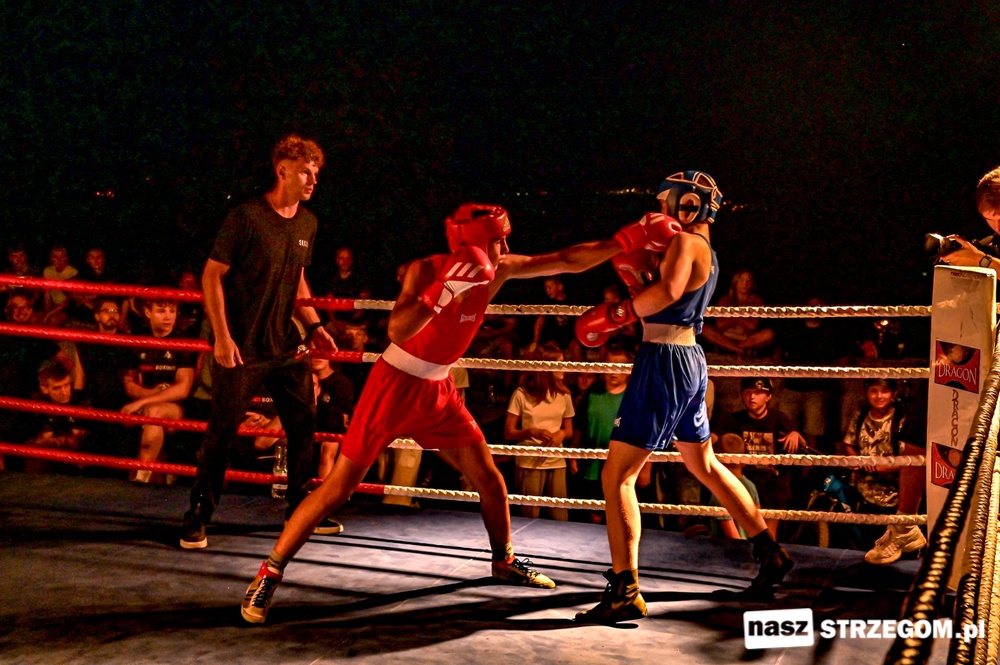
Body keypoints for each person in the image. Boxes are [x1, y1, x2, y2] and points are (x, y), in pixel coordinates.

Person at [240, 202, 625, 624]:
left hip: (439, 390)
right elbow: (398, 329)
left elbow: (566, 259)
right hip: (394, 386)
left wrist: (625, 241)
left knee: (490, 480)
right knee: (339, 489)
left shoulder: (499, 270)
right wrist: (445, 288)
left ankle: (503, 560)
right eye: (497, 240)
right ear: (471, 242)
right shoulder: (424, 270)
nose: (504, 248)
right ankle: (269, 573)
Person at [573, 171, 793, 625]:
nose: (661, 208)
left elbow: (669, 293)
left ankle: (625, 589)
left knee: (617, 475)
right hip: (690, 358)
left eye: (667, 200)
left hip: (663, 361)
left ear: (688, 202)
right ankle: (769, 550)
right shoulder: (709, 252)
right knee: (704, 464)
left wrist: (617, 312)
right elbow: (674, 295)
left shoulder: (685, 243)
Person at [181, 135, 337, 549]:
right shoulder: (246, 217)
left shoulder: (307, 223)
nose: (313, 180)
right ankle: (198, 515)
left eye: (316, 173)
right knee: (222, 432)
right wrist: (221, 336)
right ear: (282, 170)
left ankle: (299, 510)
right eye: (305, 172)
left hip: (285, 343)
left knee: (303, 425)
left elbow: (297, 278)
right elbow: (211, 275)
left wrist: (314, 325)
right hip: (242, 345)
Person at [841, 378, 926, 564]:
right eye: (873, 391)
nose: (879, 396)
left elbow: (912, 460)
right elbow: (848, 443)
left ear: (894, 393)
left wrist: (878, 469)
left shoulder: (902, 418)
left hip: (895, 497)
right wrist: (860, 460)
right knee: (867, 551)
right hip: (864, 495)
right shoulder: (861, 415)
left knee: (903, 555)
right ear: (866, 392)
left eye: (884, 391)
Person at [712, 377, 805, 539]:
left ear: (768, 397)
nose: (752, 397)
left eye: (758, 393)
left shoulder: (779, 418)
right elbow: (713, 438)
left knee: (769, 533)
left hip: (772, 482)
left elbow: (802, 443)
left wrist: (795, 434)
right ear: (741, 395)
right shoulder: (734, 419)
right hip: (745, 479)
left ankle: (769, 549)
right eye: (748, 392)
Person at [122, 299, 197, 483]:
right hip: (145, 404)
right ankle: (146, 477)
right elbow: (129, 384)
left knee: (153, 412)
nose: (168, 316)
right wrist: (151, 396)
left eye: (172, 311)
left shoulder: (183, 341)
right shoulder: (139, 340)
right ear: (148, 312)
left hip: (177, 408)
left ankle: (141, 479)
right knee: (150, 414)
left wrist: (143, 401)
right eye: (161, 311)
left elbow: (183, 389)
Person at [504, 342, 575, 521]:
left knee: (560, 515)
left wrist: (561, 434)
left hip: (556, 460)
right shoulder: (521, 394)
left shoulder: (564, 394)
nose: (564, 367)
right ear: (546, 366)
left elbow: (569, 430)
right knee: (530, 515)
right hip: (530, 461)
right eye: (559, 363)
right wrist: (530, 432)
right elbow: (509, 432)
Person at [571, 343, 631, 524]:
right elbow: (579, 426)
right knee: (593, 515)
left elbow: (645, 432)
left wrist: (646, 467)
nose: (614, 371)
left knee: (620, 512)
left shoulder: (633, 397)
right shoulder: (592, 393)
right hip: (592, 464)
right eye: (610, 365)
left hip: (623, 465)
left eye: (620, 366)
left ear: (628, 370)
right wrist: (573, 454)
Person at [938, 165, 1000, 273]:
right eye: (989, 220)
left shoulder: (983, 255)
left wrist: (982, 260)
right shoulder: (988, 247)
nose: (997, 227)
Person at [700, 270, 775, 358]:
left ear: (752, 284)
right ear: (735, 282)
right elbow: (720, 325)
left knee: (769, 334)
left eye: (748, 281)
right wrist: (741, 318)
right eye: (741, 280)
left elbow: (752, 326)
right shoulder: (725, 300)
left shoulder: (757, 301)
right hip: (726, 336)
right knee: (704, 329)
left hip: (746, 338)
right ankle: (740, 350)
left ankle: (731, 348)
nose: (745, 284)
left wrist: (734, 317)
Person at [41, 244, 79, 327]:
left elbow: (68, 301)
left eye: (62, 256)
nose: (59, 259)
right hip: (53, 306)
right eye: (55, 256)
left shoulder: (73, 272)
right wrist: (47, 312)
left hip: (68, 308)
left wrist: (48, 314)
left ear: (66, 258)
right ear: (51, 258)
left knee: (53, 321)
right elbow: (47, 294)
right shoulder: (47, 271)